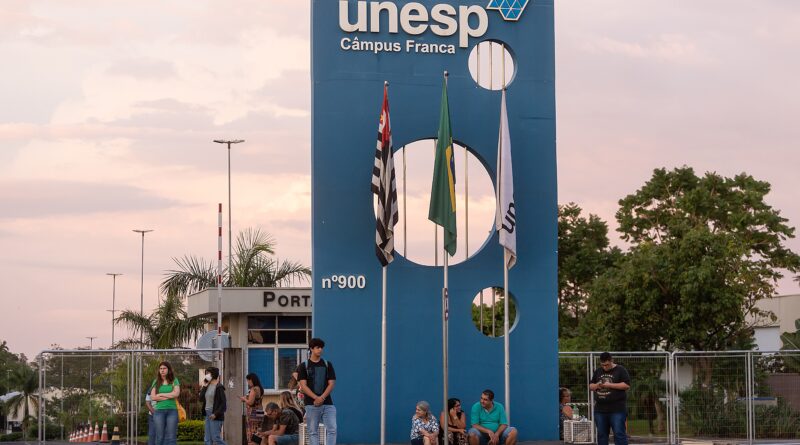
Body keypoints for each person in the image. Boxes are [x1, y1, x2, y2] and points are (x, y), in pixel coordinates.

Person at [297, 338, 337, 445]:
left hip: (328, 403)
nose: (320, 350)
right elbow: (303, 386)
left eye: (321, 348)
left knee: (332, 430)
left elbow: (332, 383)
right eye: (317, 347)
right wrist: (316, 398)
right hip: (311, 404)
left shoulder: (327, 364)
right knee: (313, 432)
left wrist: (322, 398)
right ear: (311, 349)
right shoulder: (304, 366)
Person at [589, 352, 631, 445]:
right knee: (601, 435)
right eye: (602, 365)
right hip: (600, 410)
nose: (605, 367)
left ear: (612, 360)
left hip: (617, 409)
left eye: (607, 365)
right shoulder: (598, 371)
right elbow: (591, 386)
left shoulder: (620, 370)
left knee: (619, 434)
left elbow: (626, 385)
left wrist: (609, 385)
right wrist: (597, 385)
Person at [150, 361, 181, 445]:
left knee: (171, 437)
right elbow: (153, 397)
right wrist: (170, 395)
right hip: (159, 411)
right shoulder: (156, 381)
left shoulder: (174, 380)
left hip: (172, 411)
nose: (162, 370)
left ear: (168, 369)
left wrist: (161, 394)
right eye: (160, 368)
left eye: (164, 368)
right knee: (159, 437)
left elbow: (176, 394)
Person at [200, 366, 227, 445]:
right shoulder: (207, 386)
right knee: (207, 439)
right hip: (207, 413)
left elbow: (223, 404)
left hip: (215, 414)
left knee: (215, 438)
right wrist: (204, 386)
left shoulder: (219, 387)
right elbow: (201, 398)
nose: (206, 375)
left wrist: (215, 414)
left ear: (213, 374)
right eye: (206, 373)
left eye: (208, 373)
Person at [241, 373, 265, 445]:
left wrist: (244, 399)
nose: (248, 383)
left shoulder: (254, 389)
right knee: (257, 433)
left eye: (248, 381)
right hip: (260, 412)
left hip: (253, 413)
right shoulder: (260, 388)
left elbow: (250, 402)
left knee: (251, 433)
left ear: (252, 380)